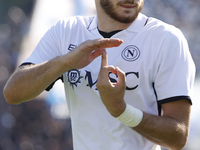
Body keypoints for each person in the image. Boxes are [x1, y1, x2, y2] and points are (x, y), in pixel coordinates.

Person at [3, 0, 196, 150]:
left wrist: (121, 110)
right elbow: (13, 93)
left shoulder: (166, 38)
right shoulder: (66, 32)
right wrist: (64, 63)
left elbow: (178, 137)